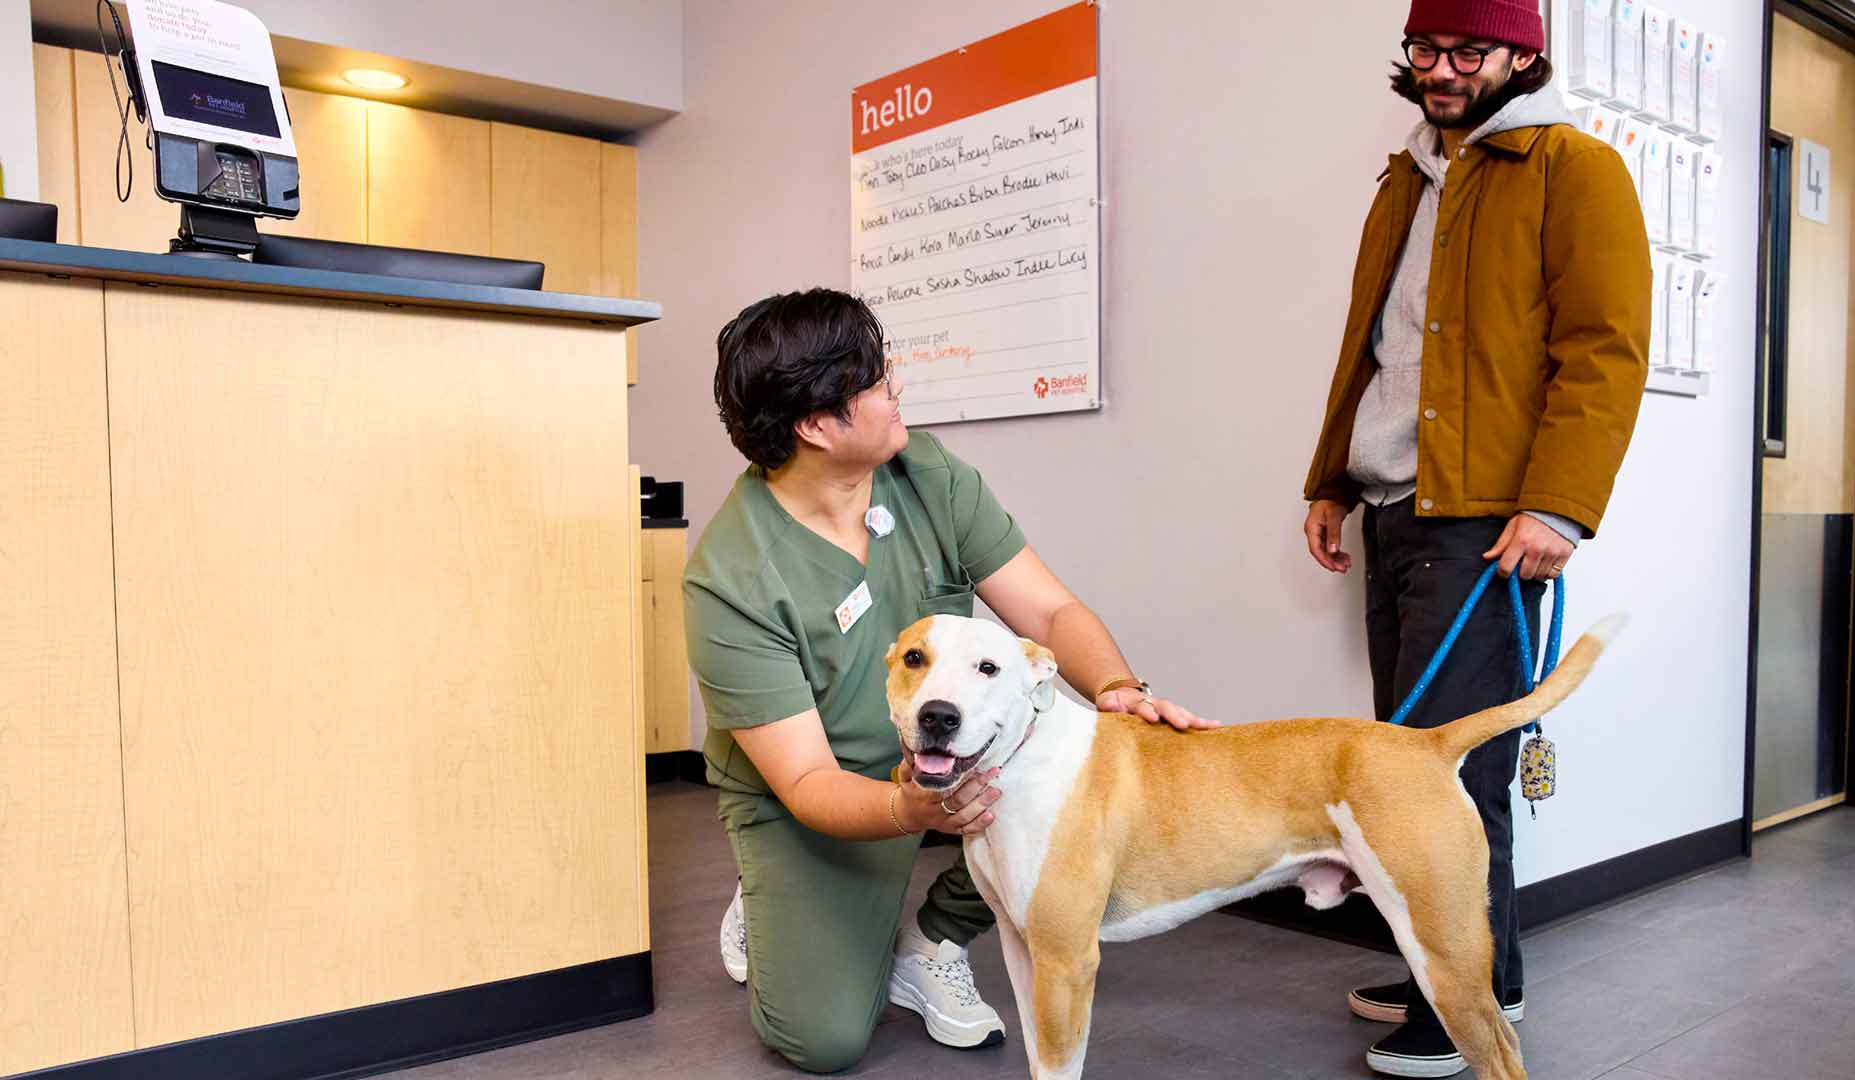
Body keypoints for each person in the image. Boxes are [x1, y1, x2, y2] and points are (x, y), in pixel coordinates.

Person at [685, 288, 1215, 1073]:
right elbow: (803, 780)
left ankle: (932, 938)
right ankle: (772, 893)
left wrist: (1116, 690)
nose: (895, 386)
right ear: (816, 425)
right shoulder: (730, 578)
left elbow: (1050, 611)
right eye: (873, 380)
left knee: (1058, 775)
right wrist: (907, 805)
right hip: (817, 796)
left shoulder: (925, 473)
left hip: (951, 755)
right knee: (821, 1039)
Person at [1300, 1, 1650, 1075]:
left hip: (1487, 522)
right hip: (1393, 507)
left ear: (1521, 56)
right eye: (1426, 49)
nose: (1442, 70)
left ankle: (1471, 1003)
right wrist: (1329, 479)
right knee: (1407, 772)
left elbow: (1605, 349)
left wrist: (1557, 504)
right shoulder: (1405, 177)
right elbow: (1371, 346)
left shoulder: (1572, 168)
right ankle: (1458, 971)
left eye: (1466, 51)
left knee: (1453, 778)